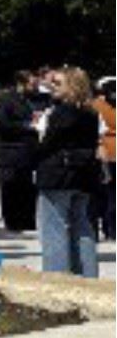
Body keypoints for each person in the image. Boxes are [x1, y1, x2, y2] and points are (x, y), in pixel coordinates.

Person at [30, 67, 102, 277]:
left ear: (72, 86)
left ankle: (56, 278)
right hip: (84, 175)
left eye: (58, 83)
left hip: (57, 175)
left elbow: (48, 145)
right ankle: (88, 276)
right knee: (83, 226)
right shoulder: (91, 113)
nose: (53, 86)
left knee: (54, 228)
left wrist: (34, 144)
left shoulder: (62, 112)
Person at [0, 71, 41, 232]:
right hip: (10, 150)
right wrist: (27, 126)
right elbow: (2, 123)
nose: (35, 87)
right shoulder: (4, 99)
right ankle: (12, 221)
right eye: (32, 84)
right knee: (10, 187)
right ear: (21, 83)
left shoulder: (31, 99)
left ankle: (28, 220)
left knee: (27, 186)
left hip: (28, 150)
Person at [94, 75, 116, 242]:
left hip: (105, 152)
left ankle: (107, 227)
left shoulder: (95, 106)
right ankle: (112, 228)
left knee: (105, 193)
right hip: (109, 151)